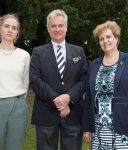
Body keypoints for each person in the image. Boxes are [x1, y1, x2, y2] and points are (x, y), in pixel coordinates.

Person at [82, 20, 128, 150]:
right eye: (101, 39)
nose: (105, 41)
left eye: (108, 37)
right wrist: (87, 127)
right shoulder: (94, 65)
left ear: (116, 38)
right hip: (99, 128)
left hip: (124, 128)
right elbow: (88, 99)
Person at [29, 9, 87, 150]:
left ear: (66, 28)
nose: (57, 29)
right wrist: (59, 101)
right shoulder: (38, 52)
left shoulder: (78, 51)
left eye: (61, 25)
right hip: (45, 114)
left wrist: (69, 97)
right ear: (48, 29)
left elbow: (84, 79)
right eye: (53, 26)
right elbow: (35, 80)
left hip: (73, 113)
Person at [0, 14, 30, 150]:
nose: (10, 30)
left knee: (15, 147)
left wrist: (19, 101)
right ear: (0, 28)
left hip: (18, 105)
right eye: (6, 26)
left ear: (17, 32)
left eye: (14, 28)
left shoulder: (24, 55)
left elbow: (25, 81)